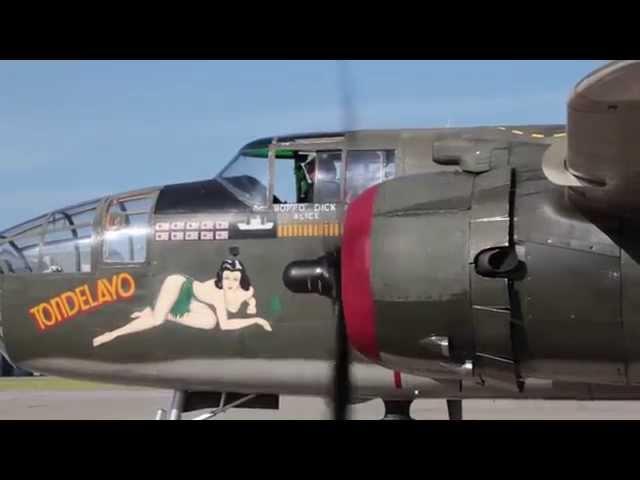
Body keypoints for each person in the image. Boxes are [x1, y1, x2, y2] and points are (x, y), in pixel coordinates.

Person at [92, 257, 271, 347]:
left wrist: (252, 304)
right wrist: (256, 320)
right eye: (226, 278)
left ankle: (161, 312)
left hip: (195, 299)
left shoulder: (248, 291)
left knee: (209, 322)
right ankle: (114, 334)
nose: (229, 283)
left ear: (241, 279)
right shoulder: (218, 293)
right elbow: (225, 325)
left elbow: (250, 298)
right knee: (157, 321)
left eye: (234, 279)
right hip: (179, 285)